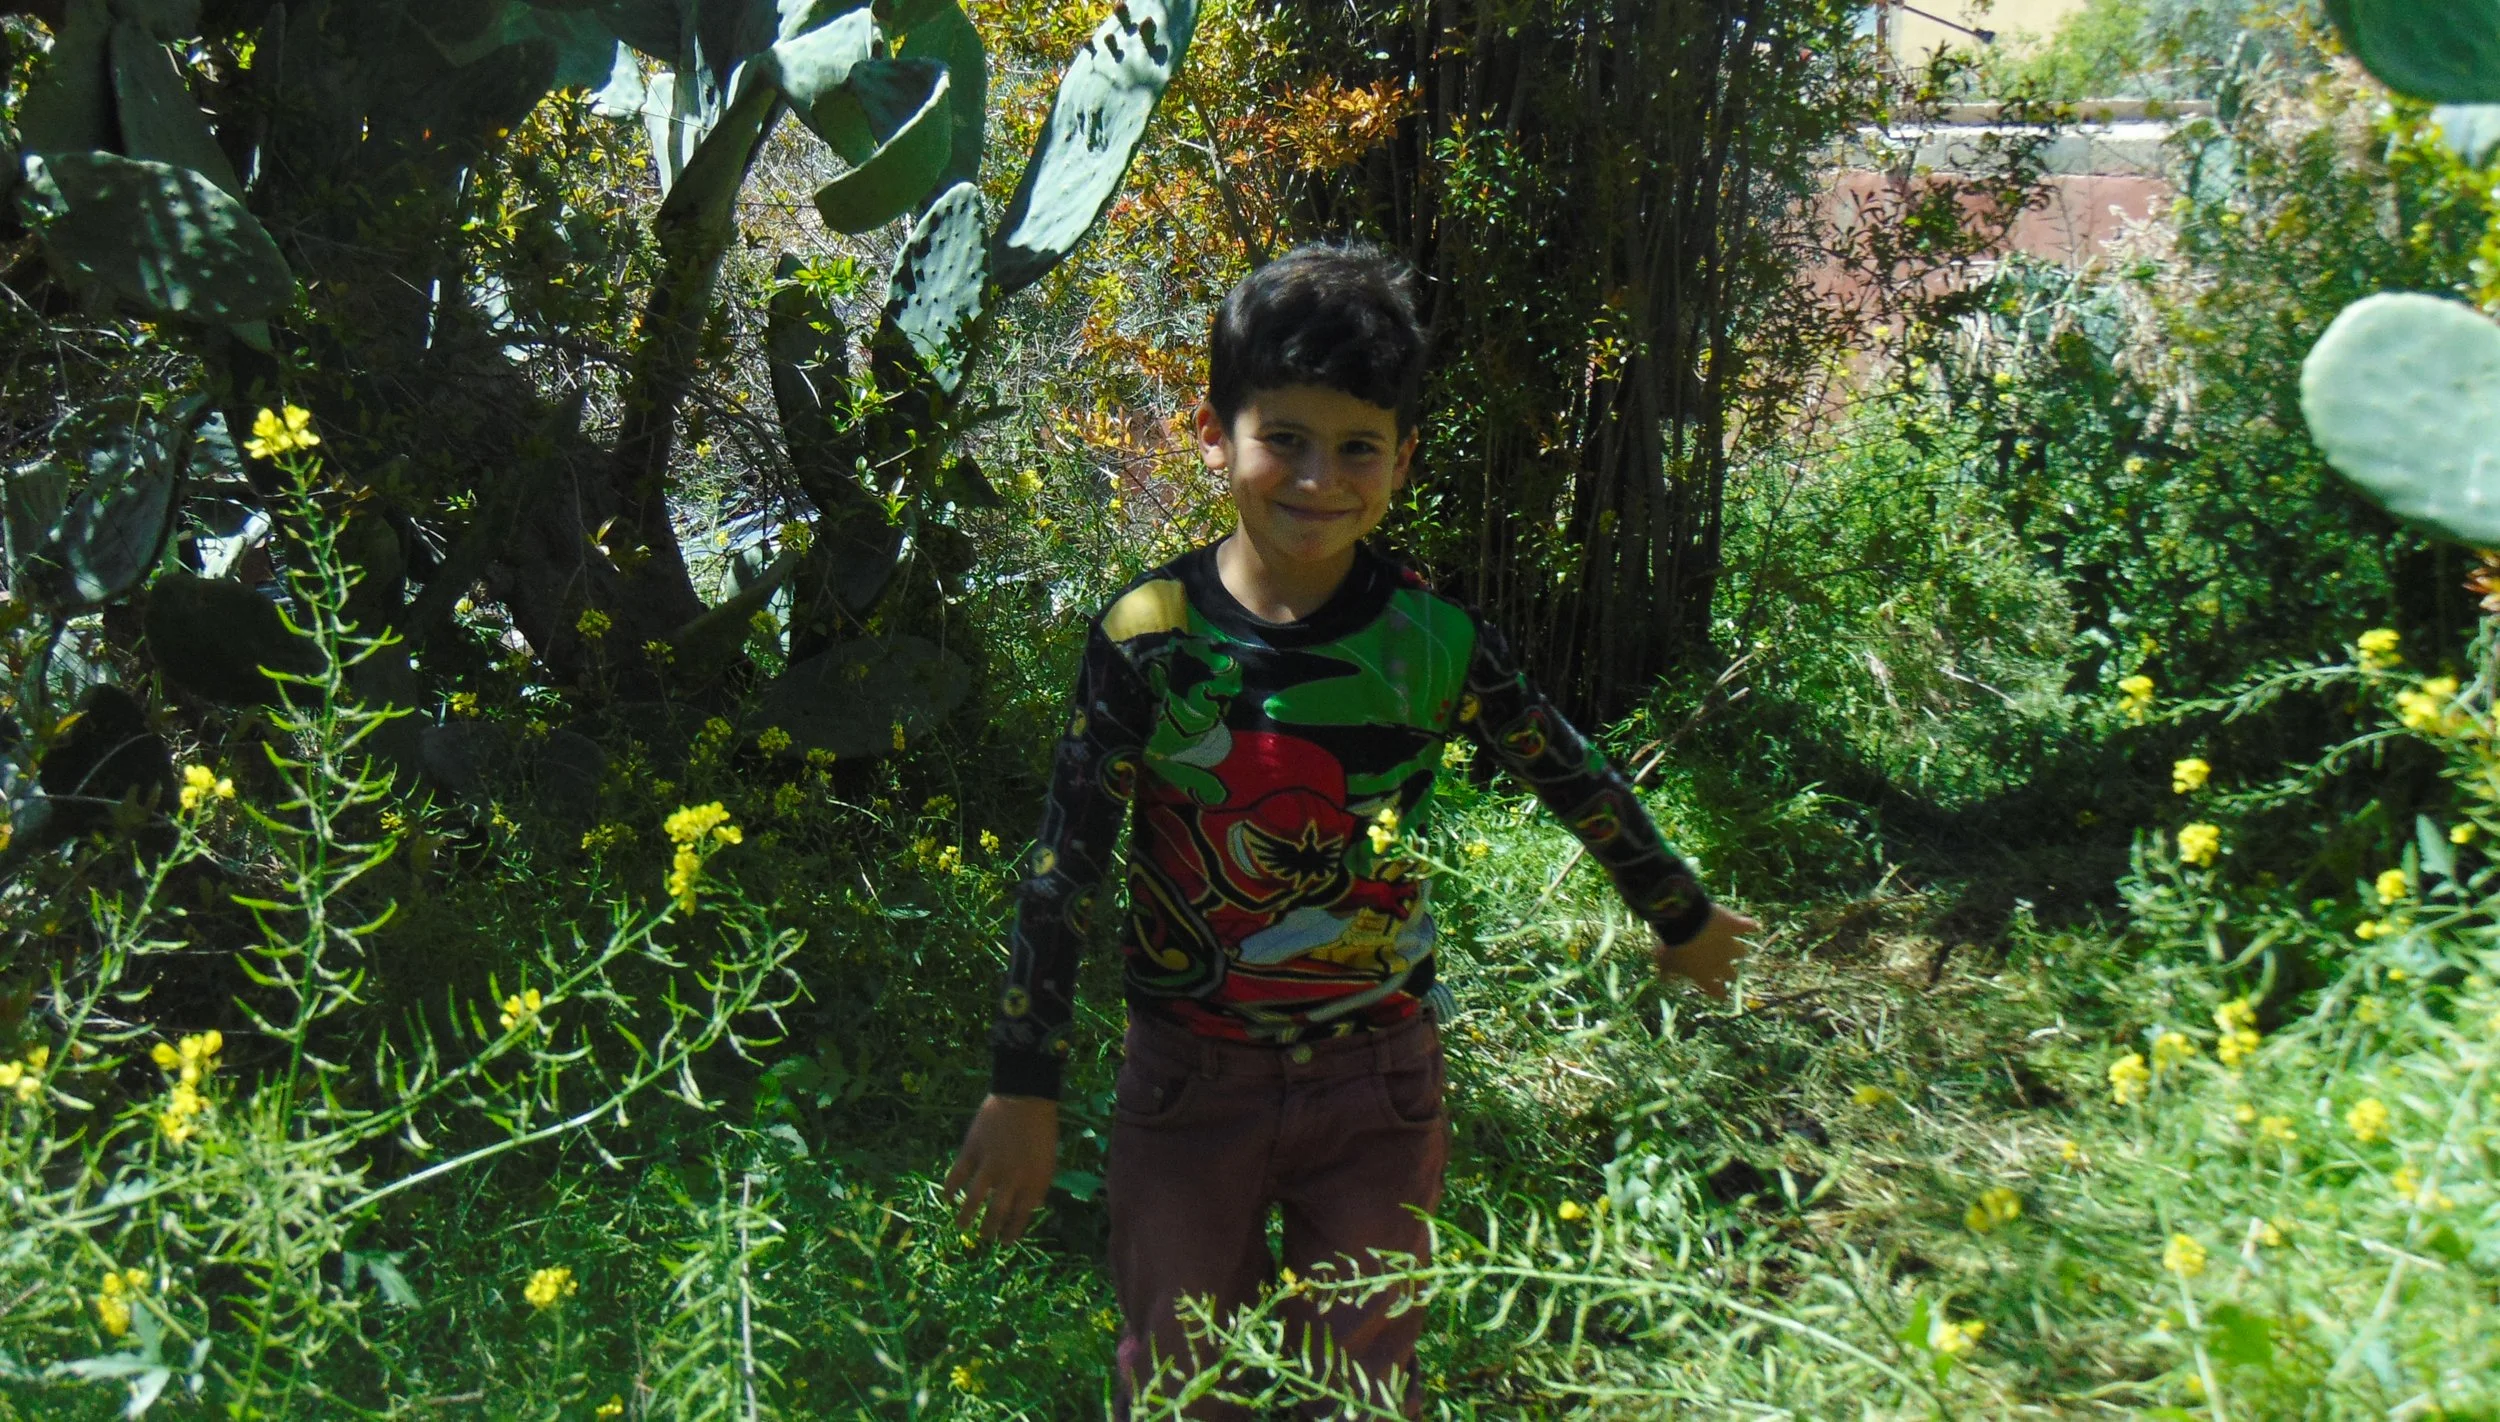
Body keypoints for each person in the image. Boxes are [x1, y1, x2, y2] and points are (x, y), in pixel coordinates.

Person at [945, 242, 1759, 1417]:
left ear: (1402, 459)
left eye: (1357, 446)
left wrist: (1677, 914)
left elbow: (1564, 770)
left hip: (1378, 1079)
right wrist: (1024, 1089)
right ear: (1217, 434)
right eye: (1284, 438)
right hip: (1185, 1084)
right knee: (1181, 1385)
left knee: (1362, 1385)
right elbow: (1062, 863)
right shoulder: (1149, 632)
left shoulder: (1435, 638)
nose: (1318, 478)